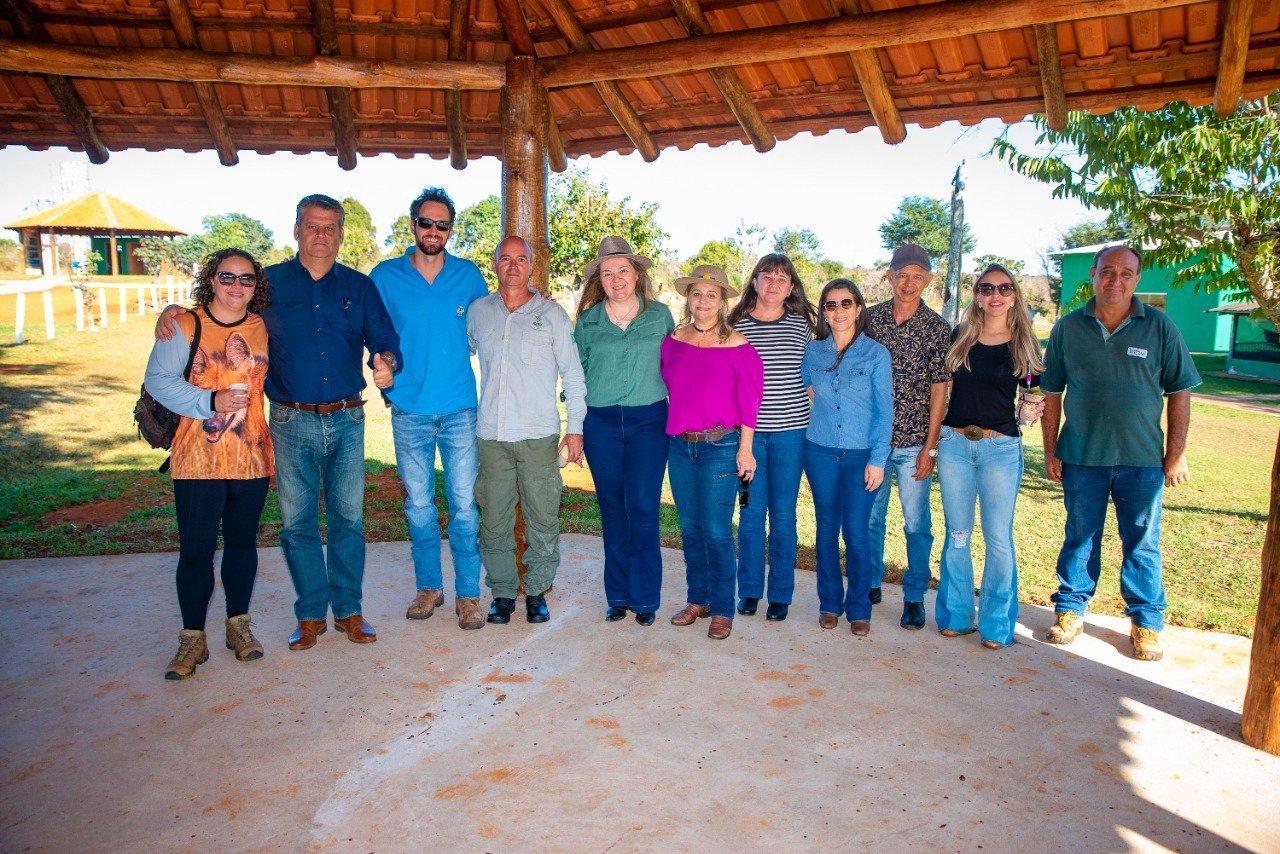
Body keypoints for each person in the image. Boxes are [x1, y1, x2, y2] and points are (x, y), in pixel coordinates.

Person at [157, 195, 400, 651]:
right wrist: (173, 314)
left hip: (347, 419)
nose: (321, 236)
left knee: (349, 519)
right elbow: (221, 310)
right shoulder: (269, 284)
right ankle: (310, 613)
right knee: (297, 523)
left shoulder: (359, 286)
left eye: (330, 228)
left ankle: (349, 610)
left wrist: (386, 360)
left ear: (341, 235)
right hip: (289, 421)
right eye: (312, 226)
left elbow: (383, 338)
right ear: (296, 230)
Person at [1041, 245, 1201, 661]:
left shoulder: (1160, 328)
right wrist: (1051, 448)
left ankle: (1146, 621)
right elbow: (1051, 392)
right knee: (1080, 537)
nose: (1115, 280)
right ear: (1092, 274)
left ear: (1137, 278)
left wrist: (1176, 453)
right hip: (1081, 456)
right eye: (1107, 271)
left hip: (1143, 459)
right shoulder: (1067, 328)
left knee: (1142, 541)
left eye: (1126, 273)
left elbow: (1180, 392)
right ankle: (1071, 609)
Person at [146, 249, 274, 679]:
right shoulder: (184, 324)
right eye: (227, 277)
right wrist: (208, 401)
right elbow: (158, 381)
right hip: (197, 458)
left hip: (250, 458)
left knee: (242, 545)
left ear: (257, 286)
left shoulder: (259, 327)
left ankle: (238, 625)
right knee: (196, 552)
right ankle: (191, 639)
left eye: (247, 279)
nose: (236, 287)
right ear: (211, 280)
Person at [370, 188, 489, 631]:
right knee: (418, 505)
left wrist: (539, 302)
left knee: (463, 507)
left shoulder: (469, 276)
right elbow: (373, 335)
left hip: (460, 407)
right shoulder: (385, 277)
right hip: (409, 409)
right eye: (426, 223)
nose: (433, 231)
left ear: (450, 231)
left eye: (442, 225)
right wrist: (379, 366)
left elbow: (493, 318)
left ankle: (469, 594)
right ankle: (428, 587)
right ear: (412, 225)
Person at [468, 236, 586, 625]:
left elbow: (572, 374)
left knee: (542, 517)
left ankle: (536, 590)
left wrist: (575, 429)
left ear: (532, 266)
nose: (513, 266)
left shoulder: (551, 314)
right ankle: (502, 592)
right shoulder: (478, 312)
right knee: (494, 519)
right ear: (495, 264)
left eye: (521, 259)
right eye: (505, 259)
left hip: (539, 435)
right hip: (492, 436)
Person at [935, 264, 1044, 650]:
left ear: (1014, 294)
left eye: (1003, 288)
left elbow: (1031, 399)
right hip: (955, 447)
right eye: (986, 288)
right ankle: (957, 616)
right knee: (958, 535)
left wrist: (1031, 408)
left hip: (1000, 449)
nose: (994, 295)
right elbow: (943, 391)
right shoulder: (960, 337)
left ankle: (997, 626)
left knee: (998, 538)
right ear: (977, 295)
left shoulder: (1025, 344)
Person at [574, 236, 675, 626]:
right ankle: (617, 595)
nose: (616, 279)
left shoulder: (660, 317)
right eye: (608, 273)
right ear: (600, 279)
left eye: (623, 271)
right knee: (613, 511)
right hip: (600, 424)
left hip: (649, 422)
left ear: (637, 274)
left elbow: (678, 367)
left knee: (645, 509)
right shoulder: (588, 321)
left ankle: (646, 599)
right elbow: (576, 378)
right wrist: (576, 429)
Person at [662, 265, 764, 640]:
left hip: (721, 446)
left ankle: (723, 607)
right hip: (680, 446)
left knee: (717, 531)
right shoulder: (673, 340)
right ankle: (698, 599)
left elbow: (750, 403)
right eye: (696, 294)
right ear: (687, 299)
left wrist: (746, 450)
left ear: (723, 302)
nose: (702, 301)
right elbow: (670, 386)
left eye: (711, 295)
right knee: (690, 528)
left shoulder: (739, 348)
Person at [864, 243, 951, 630]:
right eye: (902, 275)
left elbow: (939, 390)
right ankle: (869, 582)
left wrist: (930, 447)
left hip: (915, 440)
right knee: (869, 520)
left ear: (928, 281)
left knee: (917, 523)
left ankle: (914, 594)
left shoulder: (936, 328)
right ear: (890, 277)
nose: (909, 283)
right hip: (873, 442)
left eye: (917, 277)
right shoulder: (869, 320)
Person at [728, 254, 816, 622]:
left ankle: (780, 593)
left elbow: (815, 375)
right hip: (747, 440)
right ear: (755, 281)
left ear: (791, 287)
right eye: (767, 276)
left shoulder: (801, 327)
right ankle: (749, 590)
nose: (774, 284)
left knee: (783, 515)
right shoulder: (734, 326)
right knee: (749, 514)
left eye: (782, 278)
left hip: (791, 435)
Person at [802, 280, 892, 636]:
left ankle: (858, 607)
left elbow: (885, 413)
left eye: (845, 303)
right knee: (826, 530)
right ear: (824, 312)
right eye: (830, 305)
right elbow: (810, 389)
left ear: (858, 309)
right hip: (820, 451)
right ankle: (828, 603)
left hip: (861, 458)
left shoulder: (875, 354)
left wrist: (878, 459)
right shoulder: (814, 352)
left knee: (856, 532)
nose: (838, 311)